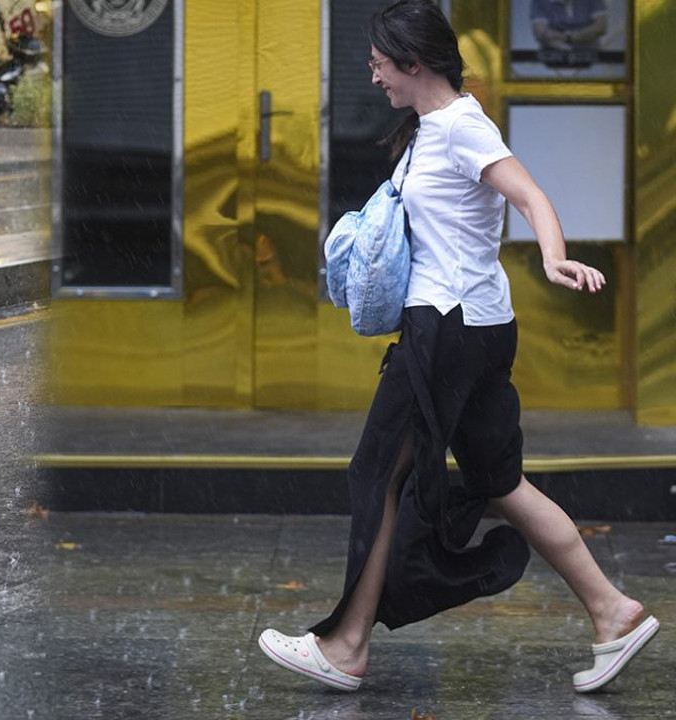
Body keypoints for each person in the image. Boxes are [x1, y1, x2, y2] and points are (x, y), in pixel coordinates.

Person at [257, 0, 657, 695]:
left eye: (382, 64)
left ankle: (347, 646)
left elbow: (529, 194)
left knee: (375, 475)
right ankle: (612, 611)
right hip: (475, 328)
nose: (375, 76)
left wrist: (555, 257)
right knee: (500, 482)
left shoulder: (459, 128)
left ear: (414, 63)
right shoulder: (436, 127)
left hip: (445, 331)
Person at [531, 0, 608, 51]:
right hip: (550, 61)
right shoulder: (540, 1)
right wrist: (564, 48)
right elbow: (540, 32)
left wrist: (569, 38)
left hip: (592, 60)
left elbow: (601, 27)